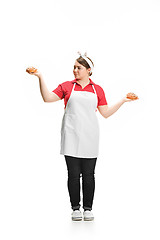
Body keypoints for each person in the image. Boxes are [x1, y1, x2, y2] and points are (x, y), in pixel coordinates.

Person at [26, 51, 138, 221]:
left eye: (78, 67)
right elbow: (47, 98)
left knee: (89, 175)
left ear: (88, 70)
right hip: (71, 135)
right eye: (74, 67)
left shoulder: (97, 89)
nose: (75, 70)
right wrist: (40, 77)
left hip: (90, 136)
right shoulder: (67, 86)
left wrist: (123, 100)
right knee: (73, 174)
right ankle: (75, 208)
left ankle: (88, 209)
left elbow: (105, 113)